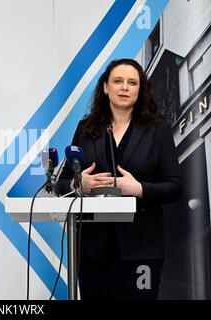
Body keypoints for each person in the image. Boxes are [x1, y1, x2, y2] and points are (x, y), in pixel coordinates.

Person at [57, 58, 183, 300]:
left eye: (132, 82)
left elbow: (175, 186)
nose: (125, 87)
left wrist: (139, 189)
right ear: (106, 87)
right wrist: (77, 184)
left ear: (140, 89)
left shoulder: (158, 129)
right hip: (93, 249)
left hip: (142, 247)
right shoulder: (87, 129)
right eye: (118, 81)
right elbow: (62, 182)